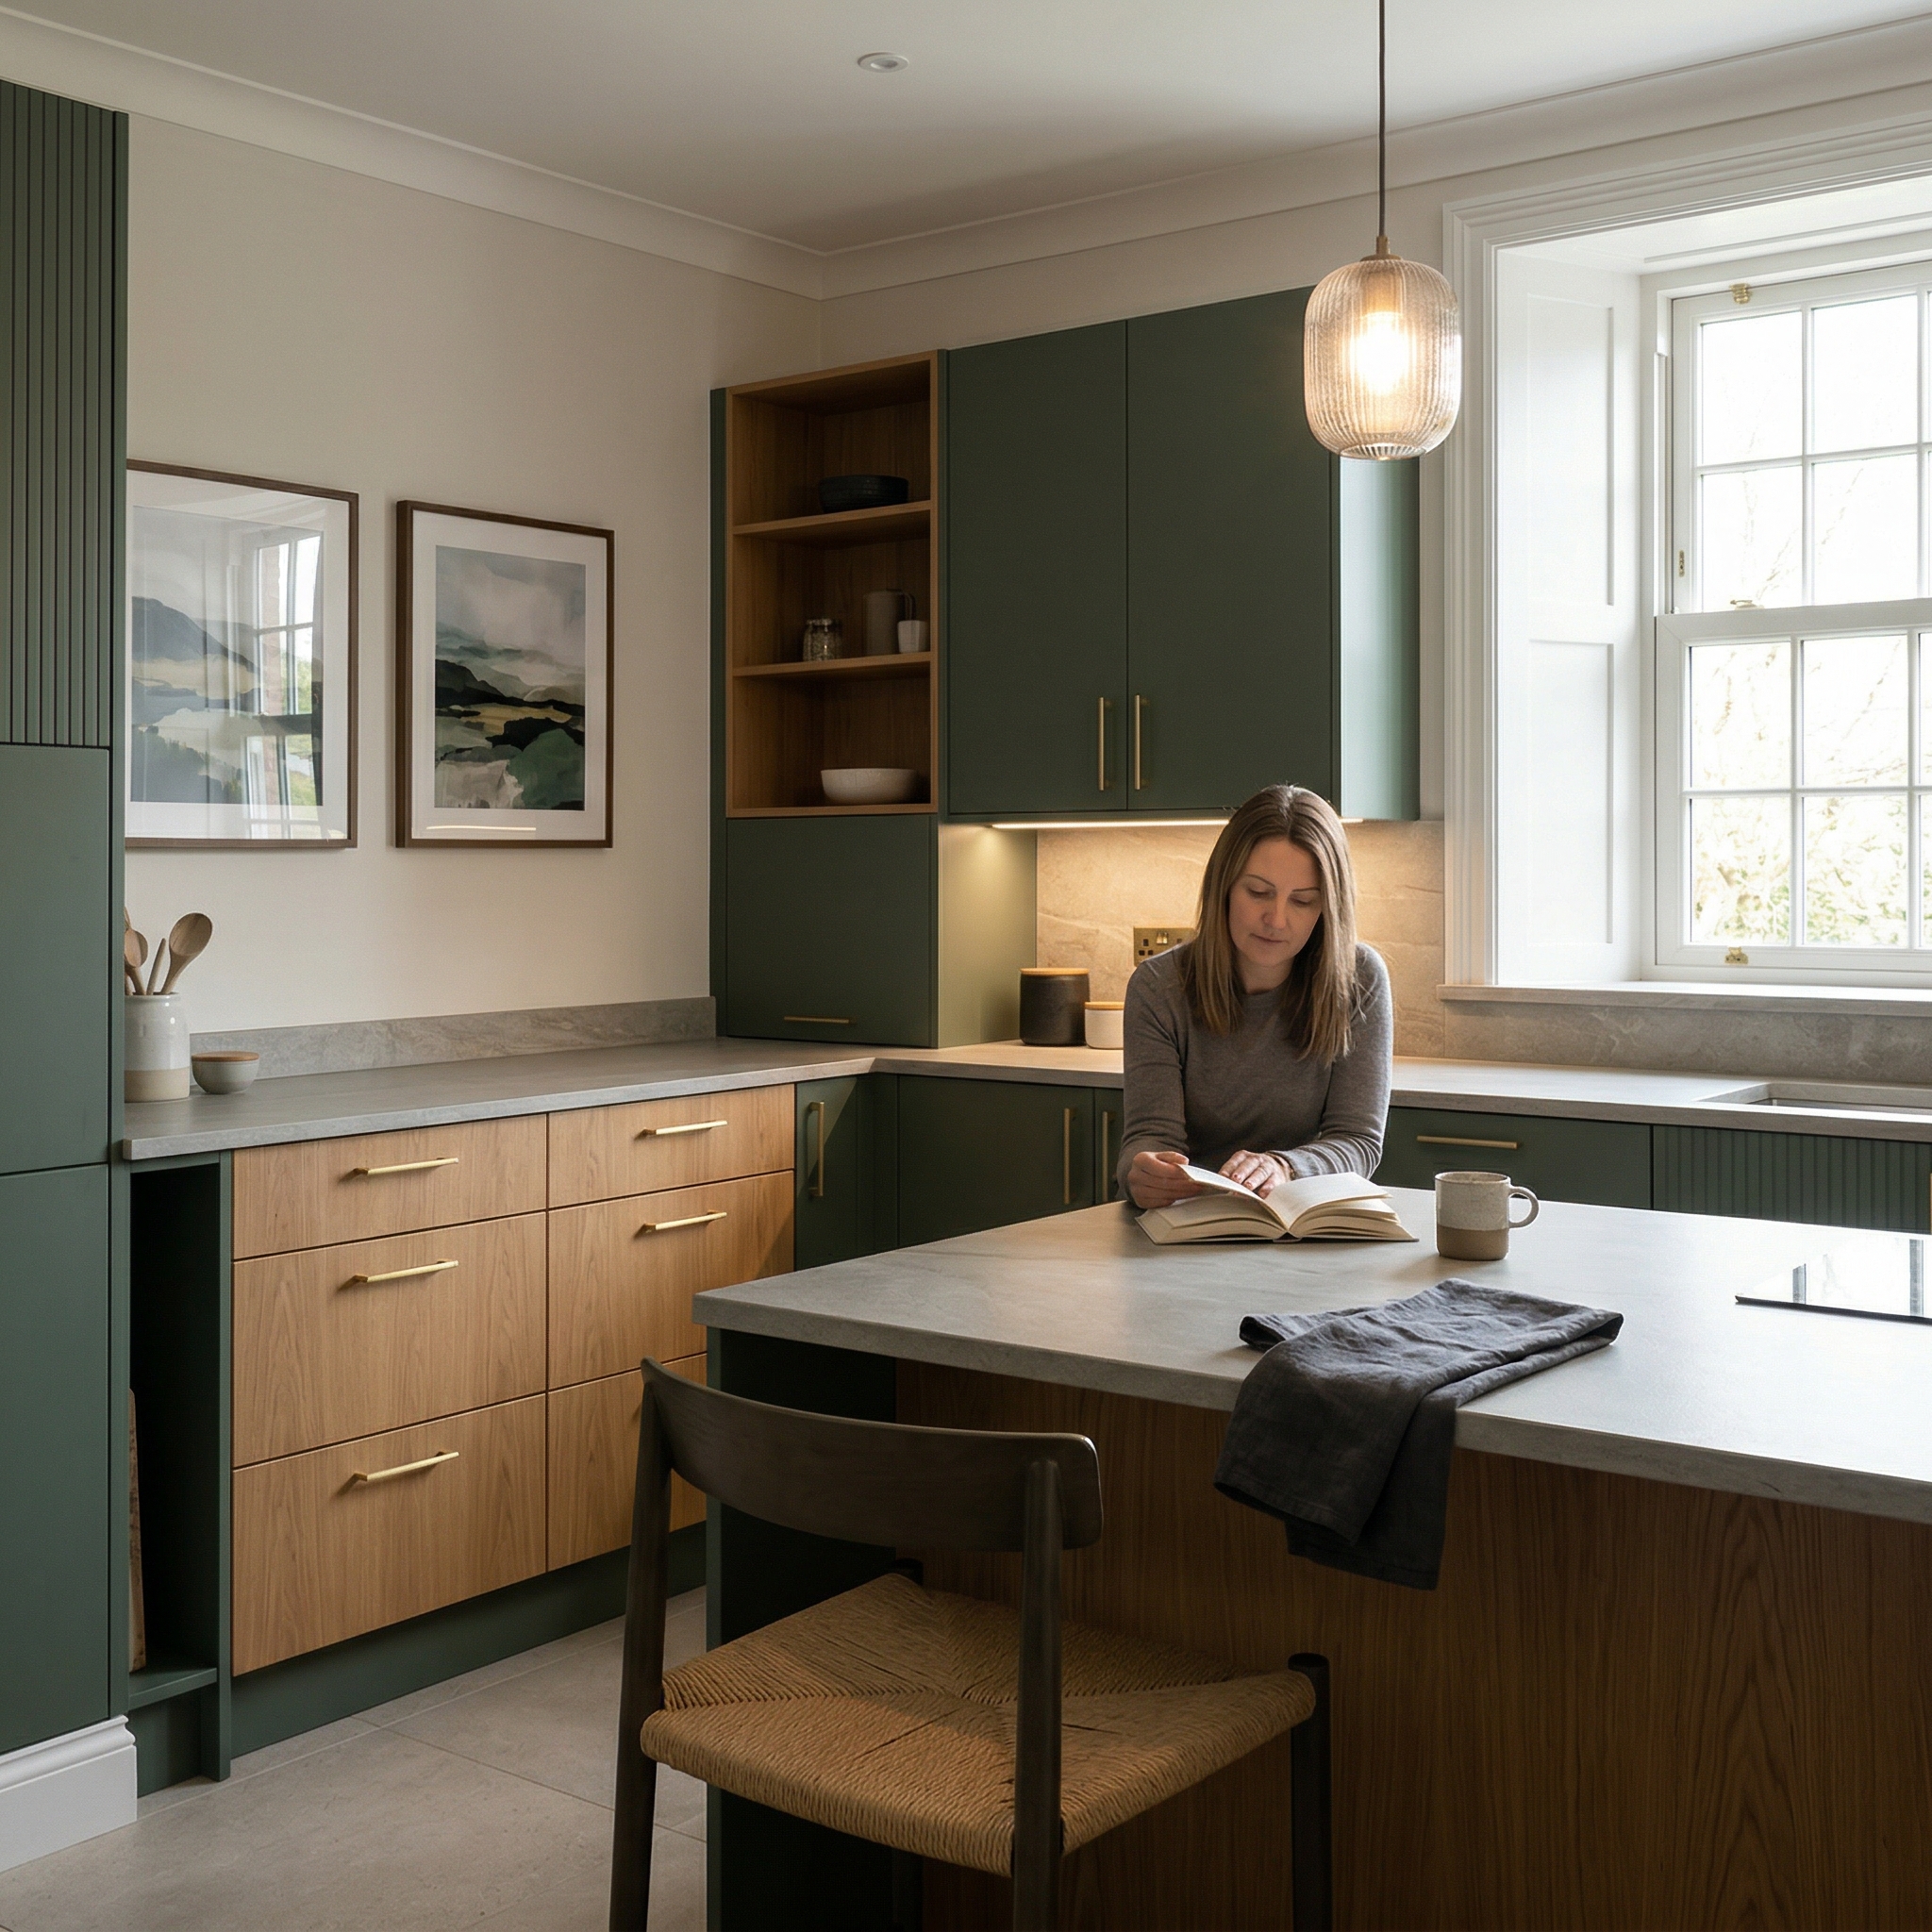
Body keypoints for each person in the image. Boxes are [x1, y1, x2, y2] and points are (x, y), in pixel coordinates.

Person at [1119, 783, 1391, 1208]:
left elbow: (1357, 1141)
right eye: (1258, 892)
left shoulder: (1360, 980)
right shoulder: (1158, 987)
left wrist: (1284, 1167)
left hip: (1303, 1217)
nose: (1276, 919)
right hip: (1188, 1220)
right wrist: (1142, 1170)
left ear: (1327, 910)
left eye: (1302, 901)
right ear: (1224, 886)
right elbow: (1149, 1136)